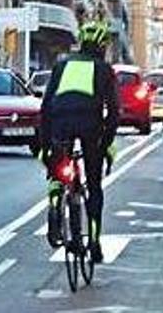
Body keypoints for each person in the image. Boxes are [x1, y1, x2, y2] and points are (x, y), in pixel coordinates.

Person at [40, 20, 119, 263]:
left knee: (56, 171)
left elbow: (45, 105)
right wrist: (106, 144)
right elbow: (114, 111)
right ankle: (94, 243)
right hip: (89, 126)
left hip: (59, 122)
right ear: (102, 46)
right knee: (93, 185)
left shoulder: (62, 64)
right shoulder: (104, 69)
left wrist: (45, 145)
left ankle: (55, 198)